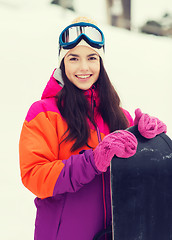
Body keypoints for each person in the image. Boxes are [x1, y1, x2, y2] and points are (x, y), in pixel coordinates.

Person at [19, 16, 167, 240]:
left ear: (101, 63)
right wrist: (92, 161)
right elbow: (35, 175)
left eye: (91, 58)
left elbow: (137, 178)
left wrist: (147, 140)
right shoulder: (43, 113)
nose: (84, 67)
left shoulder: (119, 116)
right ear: (62, 63)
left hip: (115, 234)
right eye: (74, 58)